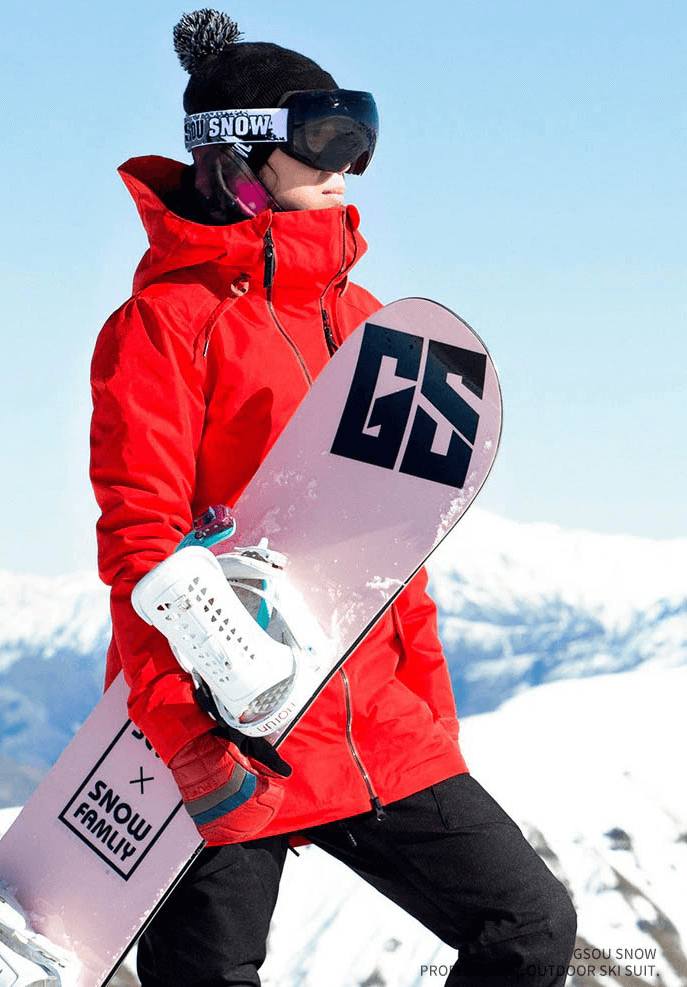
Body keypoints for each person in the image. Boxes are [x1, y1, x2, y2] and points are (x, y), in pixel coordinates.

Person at [89, 9, 577, 987]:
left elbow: (397, 550)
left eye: (361, 139)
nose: (349, 165)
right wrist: (185, 745)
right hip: (234, 730)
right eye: (323, 139)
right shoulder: (161, 326)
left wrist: (431, 724)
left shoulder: (372, 330)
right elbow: (140, 544)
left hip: (374, 718)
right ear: (240, 153)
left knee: (528, 926)